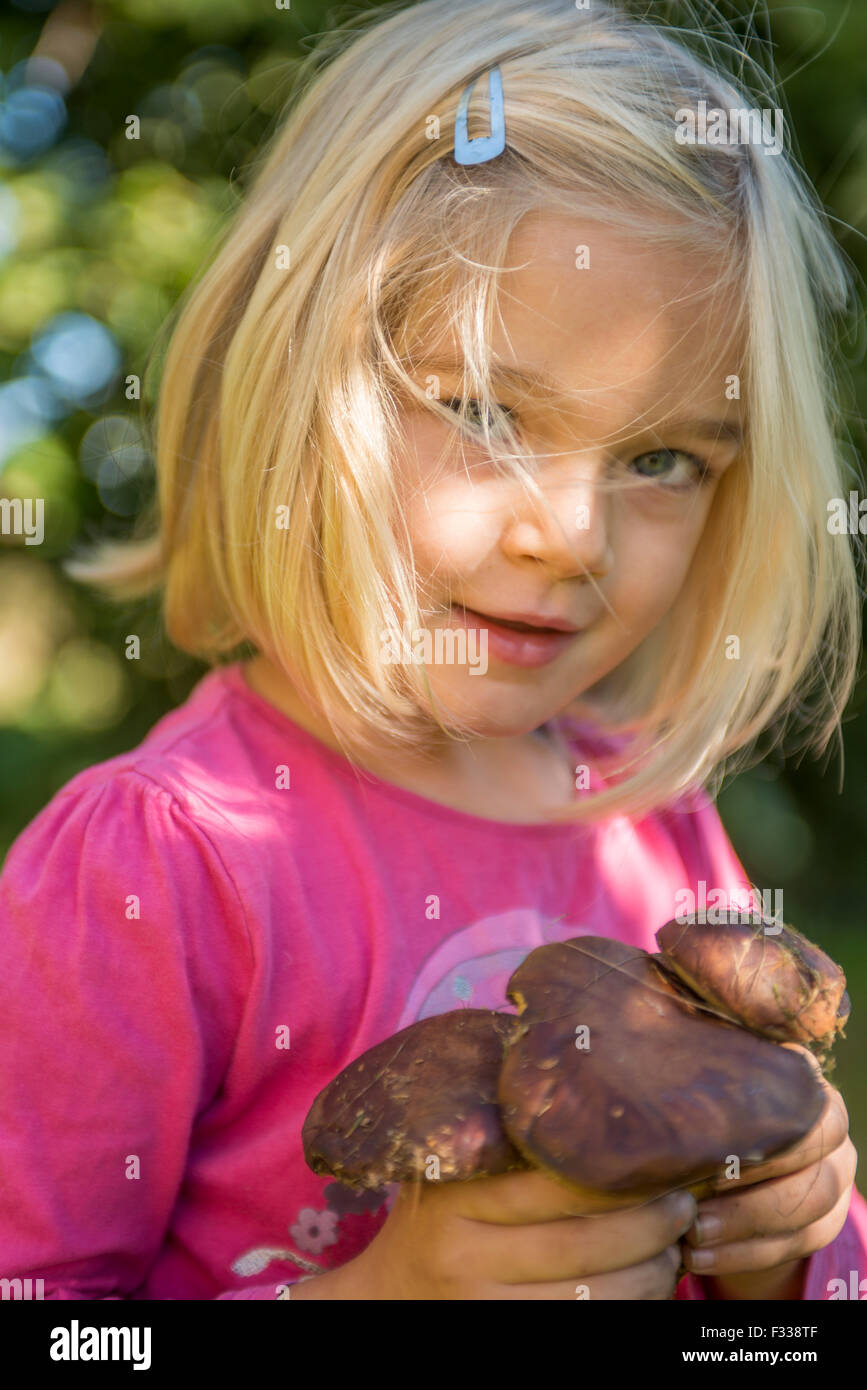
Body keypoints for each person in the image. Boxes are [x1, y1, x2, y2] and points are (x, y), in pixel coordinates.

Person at [0, 0, 864, 1301]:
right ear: (292, 379)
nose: (571, 534)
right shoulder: (156, 868)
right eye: (485, 413)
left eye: (663, 458)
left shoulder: (655, 828)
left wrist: (792, 1244)